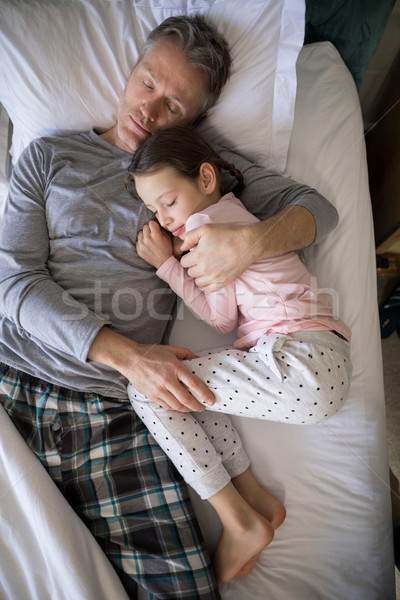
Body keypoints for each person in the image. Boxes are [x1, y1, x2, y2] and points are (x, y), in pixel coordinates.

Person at [0, 13, 339, 600]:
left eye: (175, 106)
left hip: (115, 411)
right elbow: (12, 284)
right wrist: (130, 357)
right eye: (148, 83)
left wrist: (248, 243)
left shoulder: (197, 168)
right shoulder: (49, 158)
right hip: (16, 377)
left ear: (197, 122)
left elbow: (318, 211)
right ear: (132, 71)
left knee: (183, 589)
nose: (150, 111)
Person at [125, 126, 353, 587]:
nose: (163, 217)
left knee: (149, 388)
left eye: (168, 202)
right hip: (315, 359)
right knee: (186, 386)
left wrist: (167, 264)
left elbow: (220, 316)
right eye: (153, 209)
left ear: (206, 178)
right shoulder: (233, 214)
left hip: (300, 359)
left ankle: (239, 521)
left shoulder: (204, 228)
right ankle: (257, 502)